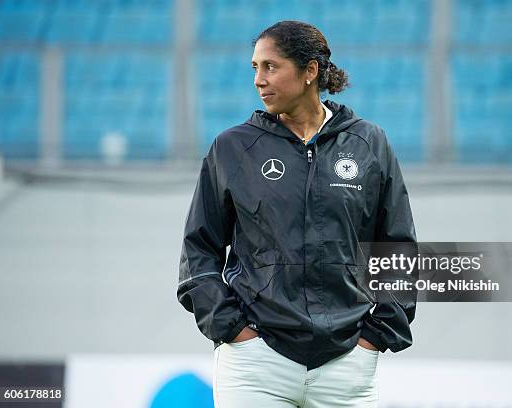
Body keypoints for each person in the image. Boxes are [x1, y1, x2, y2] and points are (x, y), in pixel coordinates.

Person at [177, 20, 417, 407]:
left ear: (310, 71)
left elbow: (398, 248)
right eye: (254, 67)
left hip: (346, 365)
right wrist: (232, 329)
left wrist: (375, 336)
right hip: (255, 364)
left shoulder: (369, 143)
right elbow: (198, 252)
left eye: (271, 66)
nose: (259, 79)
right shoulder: (232, 149)